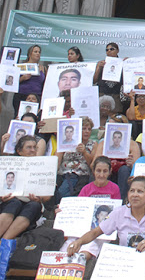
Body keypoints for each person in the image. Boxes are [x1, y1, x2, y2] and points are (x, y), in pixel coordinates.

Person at [67, 176, 145, 255]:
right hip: (124, 262)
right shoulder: (119, 212)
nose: (135, 194)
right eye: (132, 191)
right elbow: (95, 232)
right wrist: (79, 242)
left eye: (140, 191)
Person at [0, 135, 53, 277]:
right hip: (11, 203)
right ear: (19, 151)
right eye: (29, 147)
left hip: (31, 207)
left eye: (35, 147)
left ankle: (3, 245)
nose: (33, 150)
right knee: (14, 202)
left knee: (33, 206)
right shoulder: (10, 165)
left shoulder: (43, 167)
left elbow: (47, 197)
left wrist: (39, 198)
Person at [56, 118, 96, 202]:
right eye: (84, 129)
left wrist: (84, 152)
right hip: (64, 173)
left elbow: (92, 164)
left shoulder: (93, 144)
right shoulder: (67, 141)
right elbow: (57, 160)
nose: (87, 131)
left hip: (82, 174)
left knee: (64, 192)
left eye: (89, 129)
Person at [13, 45, 46, 113]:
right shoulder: (21, 66)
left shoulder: (43, 68)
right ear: (30, 54)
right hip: (22, 95)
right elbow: (12, 83)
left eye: (39, 52)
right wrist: (22, 78)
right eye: (35, 52)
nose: (38, 54)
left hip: (37, 97)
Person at [93, 42, 123, 113]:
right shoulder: (101, 63)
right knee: (101, 113)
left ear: (117, 50)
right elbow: (94, 80)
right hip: (102, 93)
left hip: (116, 94)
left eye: (112, 49)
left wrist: (127, 63)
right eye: (107, 50)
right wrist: (98, 68)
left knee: (115, 116)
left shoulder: (122, 63)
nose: (109, 51)